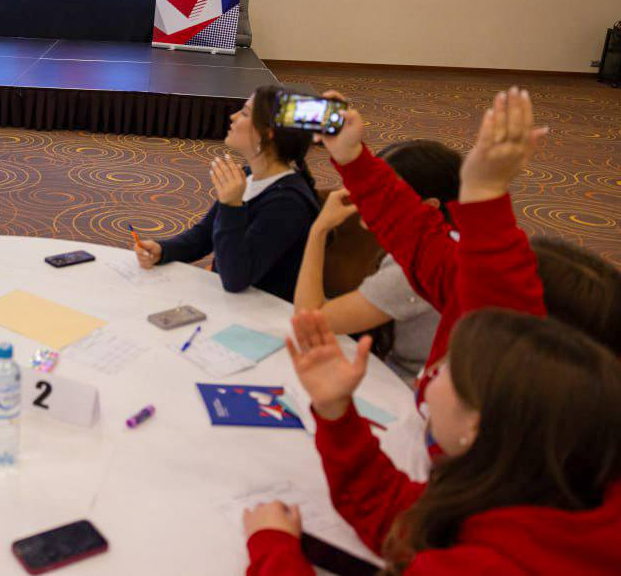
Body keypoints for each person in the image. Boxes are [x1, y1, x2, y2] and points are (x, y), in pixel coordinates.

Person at [317, 86, 621, 478]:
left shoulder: (514, 474)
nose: (435, 376)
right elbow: (414, 234)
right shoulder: (476, 312)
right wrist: (353, 158)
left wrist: (485, 196)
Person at [242, 308, 621, 574]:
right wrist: (335, 411)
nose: (431, 371)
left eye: (447, 369)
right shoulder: (544, 492)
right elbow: (401, 516)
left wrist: (274, 549)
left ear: (477, 422)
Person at [293, 140, 460, 383]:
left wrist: (319, 230)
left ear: (429, 207)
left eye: (383, 192)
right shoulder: (453, 240)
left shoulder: (412, 269)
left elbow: (309, 320)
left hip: (412, 388)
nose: (363, 197)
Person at [134, 85, 320, 301]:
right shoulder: (249, 175)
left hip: (263, 312)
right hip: (236, 302)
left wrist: (231, 206)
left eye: (245, 113)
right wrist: (164, 249)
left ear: (268, 133)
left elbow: (235, 278)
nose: (233, 116)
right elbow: (204, 235)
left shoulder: (287, 203)